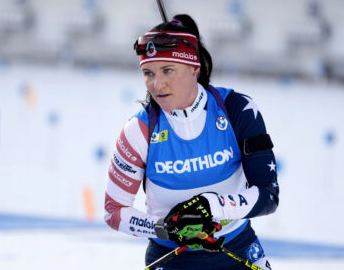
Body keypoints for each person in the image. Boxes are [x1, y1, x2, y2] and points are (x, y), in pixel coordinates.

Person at [104, 14, 279, 270]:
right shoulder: (139, 130)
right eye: (148, 73)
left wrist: (212, 206)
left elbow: (268, 195)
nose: (157, 84)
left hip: (236, 249)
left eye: (168, 71)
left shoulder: (237, 110)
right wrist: (165, 228)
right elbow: (114, 211)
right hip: (171, 256)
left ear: (194, 67)